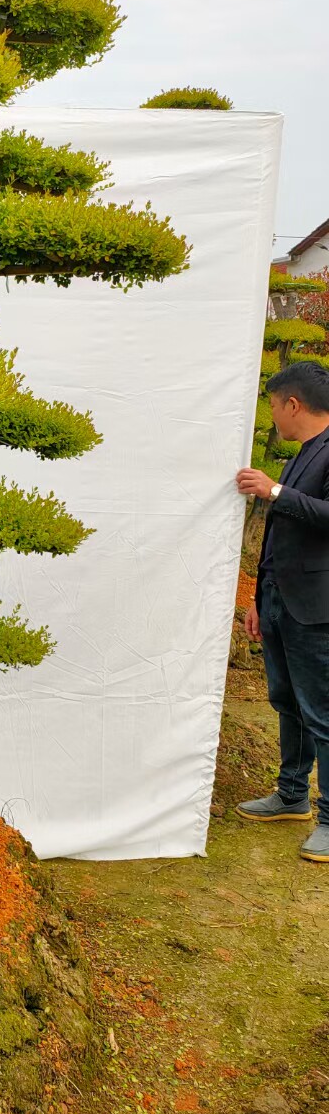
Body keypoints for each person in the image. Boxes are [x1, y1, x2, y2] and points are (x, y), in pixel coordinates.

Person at [236, 361, 329, 862]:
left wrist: (275, 491)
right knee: (287, 702)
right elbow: (279, 534)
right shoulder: (301, 454)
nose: (272, 417)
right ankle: (292, 794)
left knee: (323, 713)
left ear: (293, 404)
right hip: (279, 600)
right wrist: (257, 599)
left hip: (317, 608)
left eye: (273, 406)